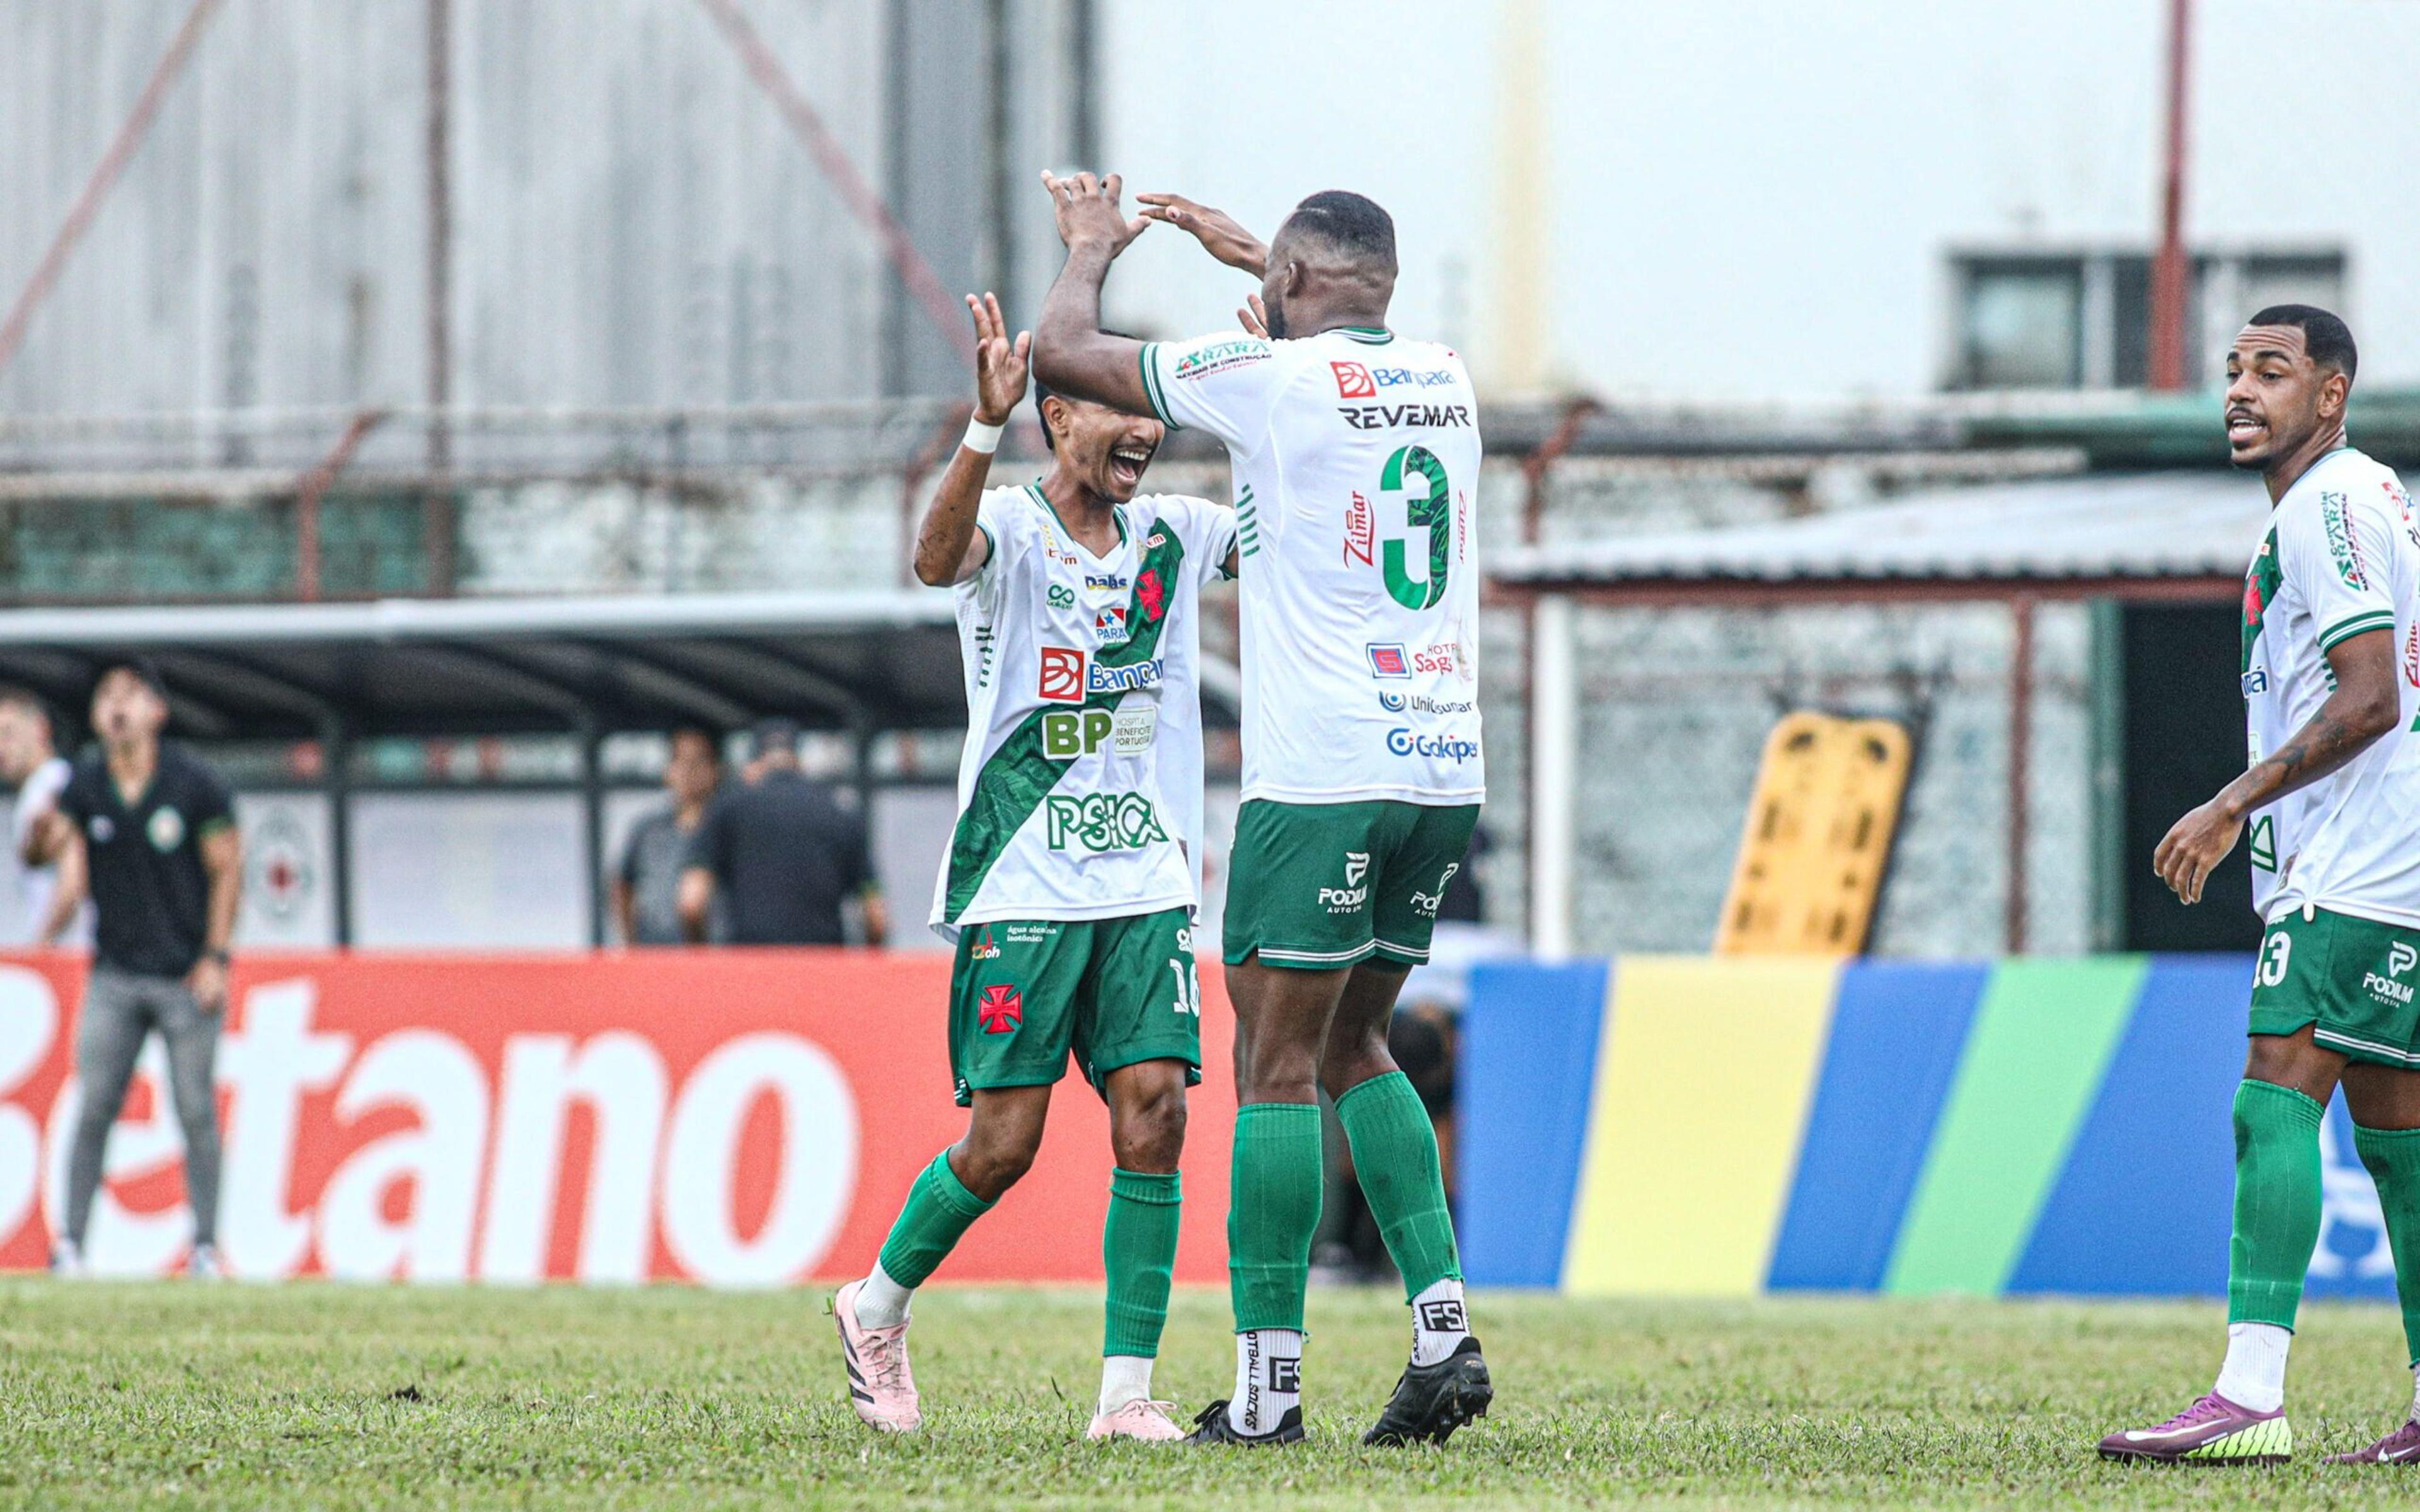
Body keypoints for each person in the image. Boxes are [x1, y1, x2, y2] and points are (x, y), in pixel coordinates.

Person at [1032, 175, 1488, 1446]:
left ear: (1289, 288)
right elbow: (1323, 355)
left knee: (1273, 1063)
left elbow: (1063, 356)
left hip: (1322, 772)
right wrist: (1264, 274)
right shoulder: (1447, 377)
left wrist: (1089, 248)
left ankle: (1268, 1393)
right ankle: (1441, 1331)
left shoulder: (1272, 380)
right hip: (1439, 766)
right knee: (1360, 1047)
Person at [831, 291, 1237, 1443]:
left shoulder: (1179, 537)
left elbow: (1294, 526)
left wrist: (1269, 368)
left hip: (1147, 882)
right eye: (1117, 410)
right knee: (1004, 1145)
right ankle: (875, 1307)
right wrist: (977, 426)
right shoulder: (1010, 526)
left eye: (1152, 414)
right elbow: (930, 560)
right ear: (1055, 419)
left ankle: (1125, 1398)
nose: (1143, 433)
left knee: (1153, 1113)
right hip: (1023, 878)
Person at [2100, 307, 2420, 1466]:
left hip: (2356, 857)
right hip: (2395, 858)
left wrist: (2233, 802)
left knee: (2271, 1092)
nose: (2241, 391)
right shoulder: (2373, 498)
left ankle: (2251, 1394)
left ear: (2330, 394)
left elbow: (2371, 693)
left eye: (2272, 373)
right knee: (2398, 1132)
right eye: (2234, 372)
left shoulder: (2329, 501)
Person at [30, 659, 243, 1278]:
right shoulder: (85, 784)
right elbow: (43, 850)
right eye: (106, 696)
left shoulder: (193, 783)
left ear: (157, 711)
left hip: (184, 975)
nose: (116, 707)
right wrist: (41, 828)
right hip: (115, 975)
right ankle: (69, 1244)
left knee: (195, 1109)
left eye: (130, 694)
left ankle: (204, 1247)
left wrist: (216, 956)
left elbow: (228, 868)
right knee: (94, 1104)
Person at [678, 719, 887, 946]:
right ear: (798, 761)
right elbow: (876, 916)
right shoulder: (840, 813)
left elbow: (691, 903)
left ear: (754, 765)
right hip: (823, 968)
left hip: (749, 968)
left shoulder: (727, 809)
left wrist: (701, 960)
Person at [614, 726, 725, 946]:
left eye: (698, 762)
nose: (689, 772)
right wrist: (630, 944)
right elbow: (622, 886)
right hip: (656, 953)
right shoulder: (647, 828)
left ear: (716, 770)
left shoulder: (727, 827)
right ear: (668, 770)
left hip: (714, 956)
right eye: (680, 761)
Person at [0, 689, 84, 945]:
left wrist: (43, 943)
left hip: (65, 954)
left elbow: (73, 876)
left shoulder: (55, 786)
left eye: (7, 734)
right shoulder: (32, 791)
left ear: (41, 729)